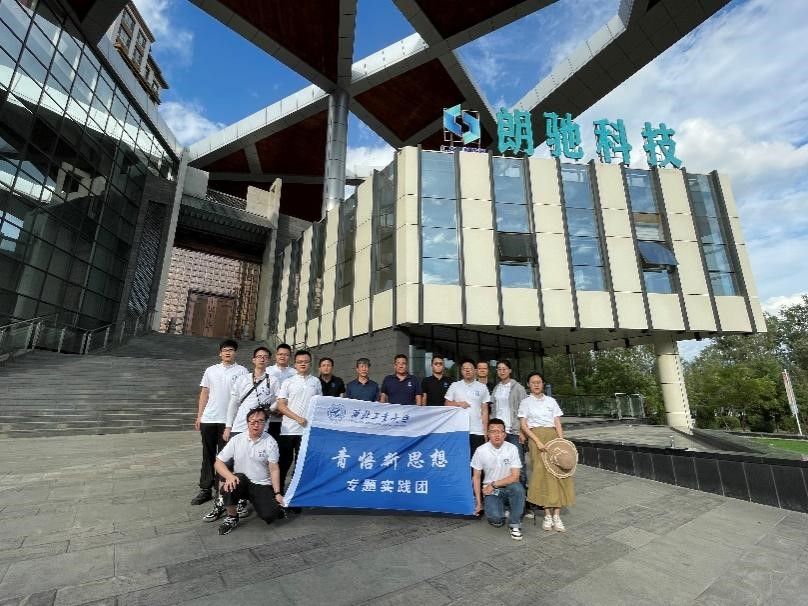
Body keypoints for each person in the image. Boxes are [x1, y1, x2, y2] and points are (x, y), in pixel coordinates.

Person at [210, 346, 278, 522]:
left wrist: (269, 410)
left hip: (259, 428)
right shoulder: (243, 379)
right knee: (227, 465)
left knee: (251, 463)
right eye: (259, 356)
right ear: (253, 360)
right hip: (239, 427)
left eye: (265, 357)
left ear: (269, 360)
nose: (262, 359)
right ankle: (221, 501)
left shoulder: (273, 380)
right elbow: (233, 404)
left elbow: (279, 401)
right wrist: (228, 427)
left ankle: (240, 500)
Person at [191, 339, 248, 507]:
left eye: (231, 350)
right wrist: (199, 416)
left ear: (235, 353)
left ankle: (221, 490)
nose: (228, 352)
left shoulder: (242, 371)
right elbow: (204, 393)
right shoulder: (211, 370)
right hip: (209, 419)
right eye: (225, 350)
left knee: (225, 457)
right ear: (220, 353)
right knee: (207, 454)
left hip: (228, 422)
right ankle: (205, 489)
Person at [213, 407, 285, 535]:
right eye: (253, 421)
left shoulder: (271, 442)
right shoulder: (237, 439)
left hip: (261, 484)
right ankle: (232, 517)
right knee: (229, 485)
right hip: (241, 481)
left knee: (270, 515)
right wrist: (229, 476)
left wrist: (277, 493)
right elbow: (218, 462)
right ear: (247, 423)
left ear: (265, 423)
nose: (256, 425)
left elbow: (274, 469)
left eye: (260, 421)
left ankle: (265, 503)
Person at [518, 371, 575, 532]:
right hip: (535, 437)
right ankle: (547, 515)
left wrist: (561, 441)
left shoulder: (551, 401)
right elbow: (524, 425)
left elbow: (557, 422)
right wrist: (537, 441)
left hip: (553, 437)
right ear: (528, 385)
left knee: (558, 474)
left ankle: (557, 515)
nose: (536, 384)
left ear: (543, 384)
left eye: (539, 382)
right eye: (533, 382)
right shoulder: (525, 403)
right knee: (541, 475)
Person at [471, 418, 525, 541]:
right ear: (488, 434)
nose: (497, 434)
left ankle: (515, 524)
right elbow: (476, 477)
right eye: (493, 431)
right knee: (496, 520)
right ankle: (506, 509)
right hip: (492, 492)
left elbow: (515, 476)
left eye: (500, 431)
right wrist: (478, 503)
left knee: (518, 488)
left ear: (505, 434)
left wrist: (494, 484)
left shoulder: (512, 448)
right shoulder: (481, 451)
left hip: (508, 487)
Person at [276, 350, 322, 492]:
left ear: (310, 364)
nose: (303, 364)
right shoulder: (288, 382)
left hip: (307, 431)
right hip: (288, 430)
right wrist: (297, 418)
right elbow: (281, 406)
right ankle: (278, 493)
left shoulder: (315, 382)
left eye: (306, 362)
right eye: (300, 362)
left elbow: (320, 404)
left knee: (301, 464)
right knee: (284, 463)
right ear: (295, 364)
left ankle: (296, 493)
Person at [491, 360, 528, 486]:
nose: (502, 371)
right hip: (499, 431)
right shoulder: (496, 388)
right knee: (501, 462)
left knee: (518, 462)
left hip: (514, 431)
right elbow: (494, 410)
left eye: (504, 369)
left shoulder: (518, 388)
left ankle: (522, 492)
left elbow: (524, 410)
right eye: (499, 369)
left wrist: (522, 431)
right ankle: (505, 490)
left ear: (510, 371)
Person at [445, 358, 490, 454]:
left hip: (477, 430)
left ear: (475, 370)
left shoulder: (482, 387)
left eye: (470, 368)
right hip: (459, 429)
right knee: (460, 457)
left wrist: (485, 431)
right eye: (464, 369)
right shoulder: (454, 385)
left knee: (477, 458)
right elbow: (447, 404)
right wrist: (459, 404)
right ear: (461, 371)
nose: (467, 370)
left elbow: (485, 411)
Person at [266, 343, 295, 440]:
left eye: (286, 355)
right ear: (276, 355)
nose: (283, 357)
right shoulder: (267, 371)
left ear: (290, 357)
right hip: (268, 417)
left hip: (287, 418)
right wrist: (271, 409)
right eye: (280, 354)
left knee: (284, 447)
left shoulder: (295, 373)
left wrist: (283, 410)